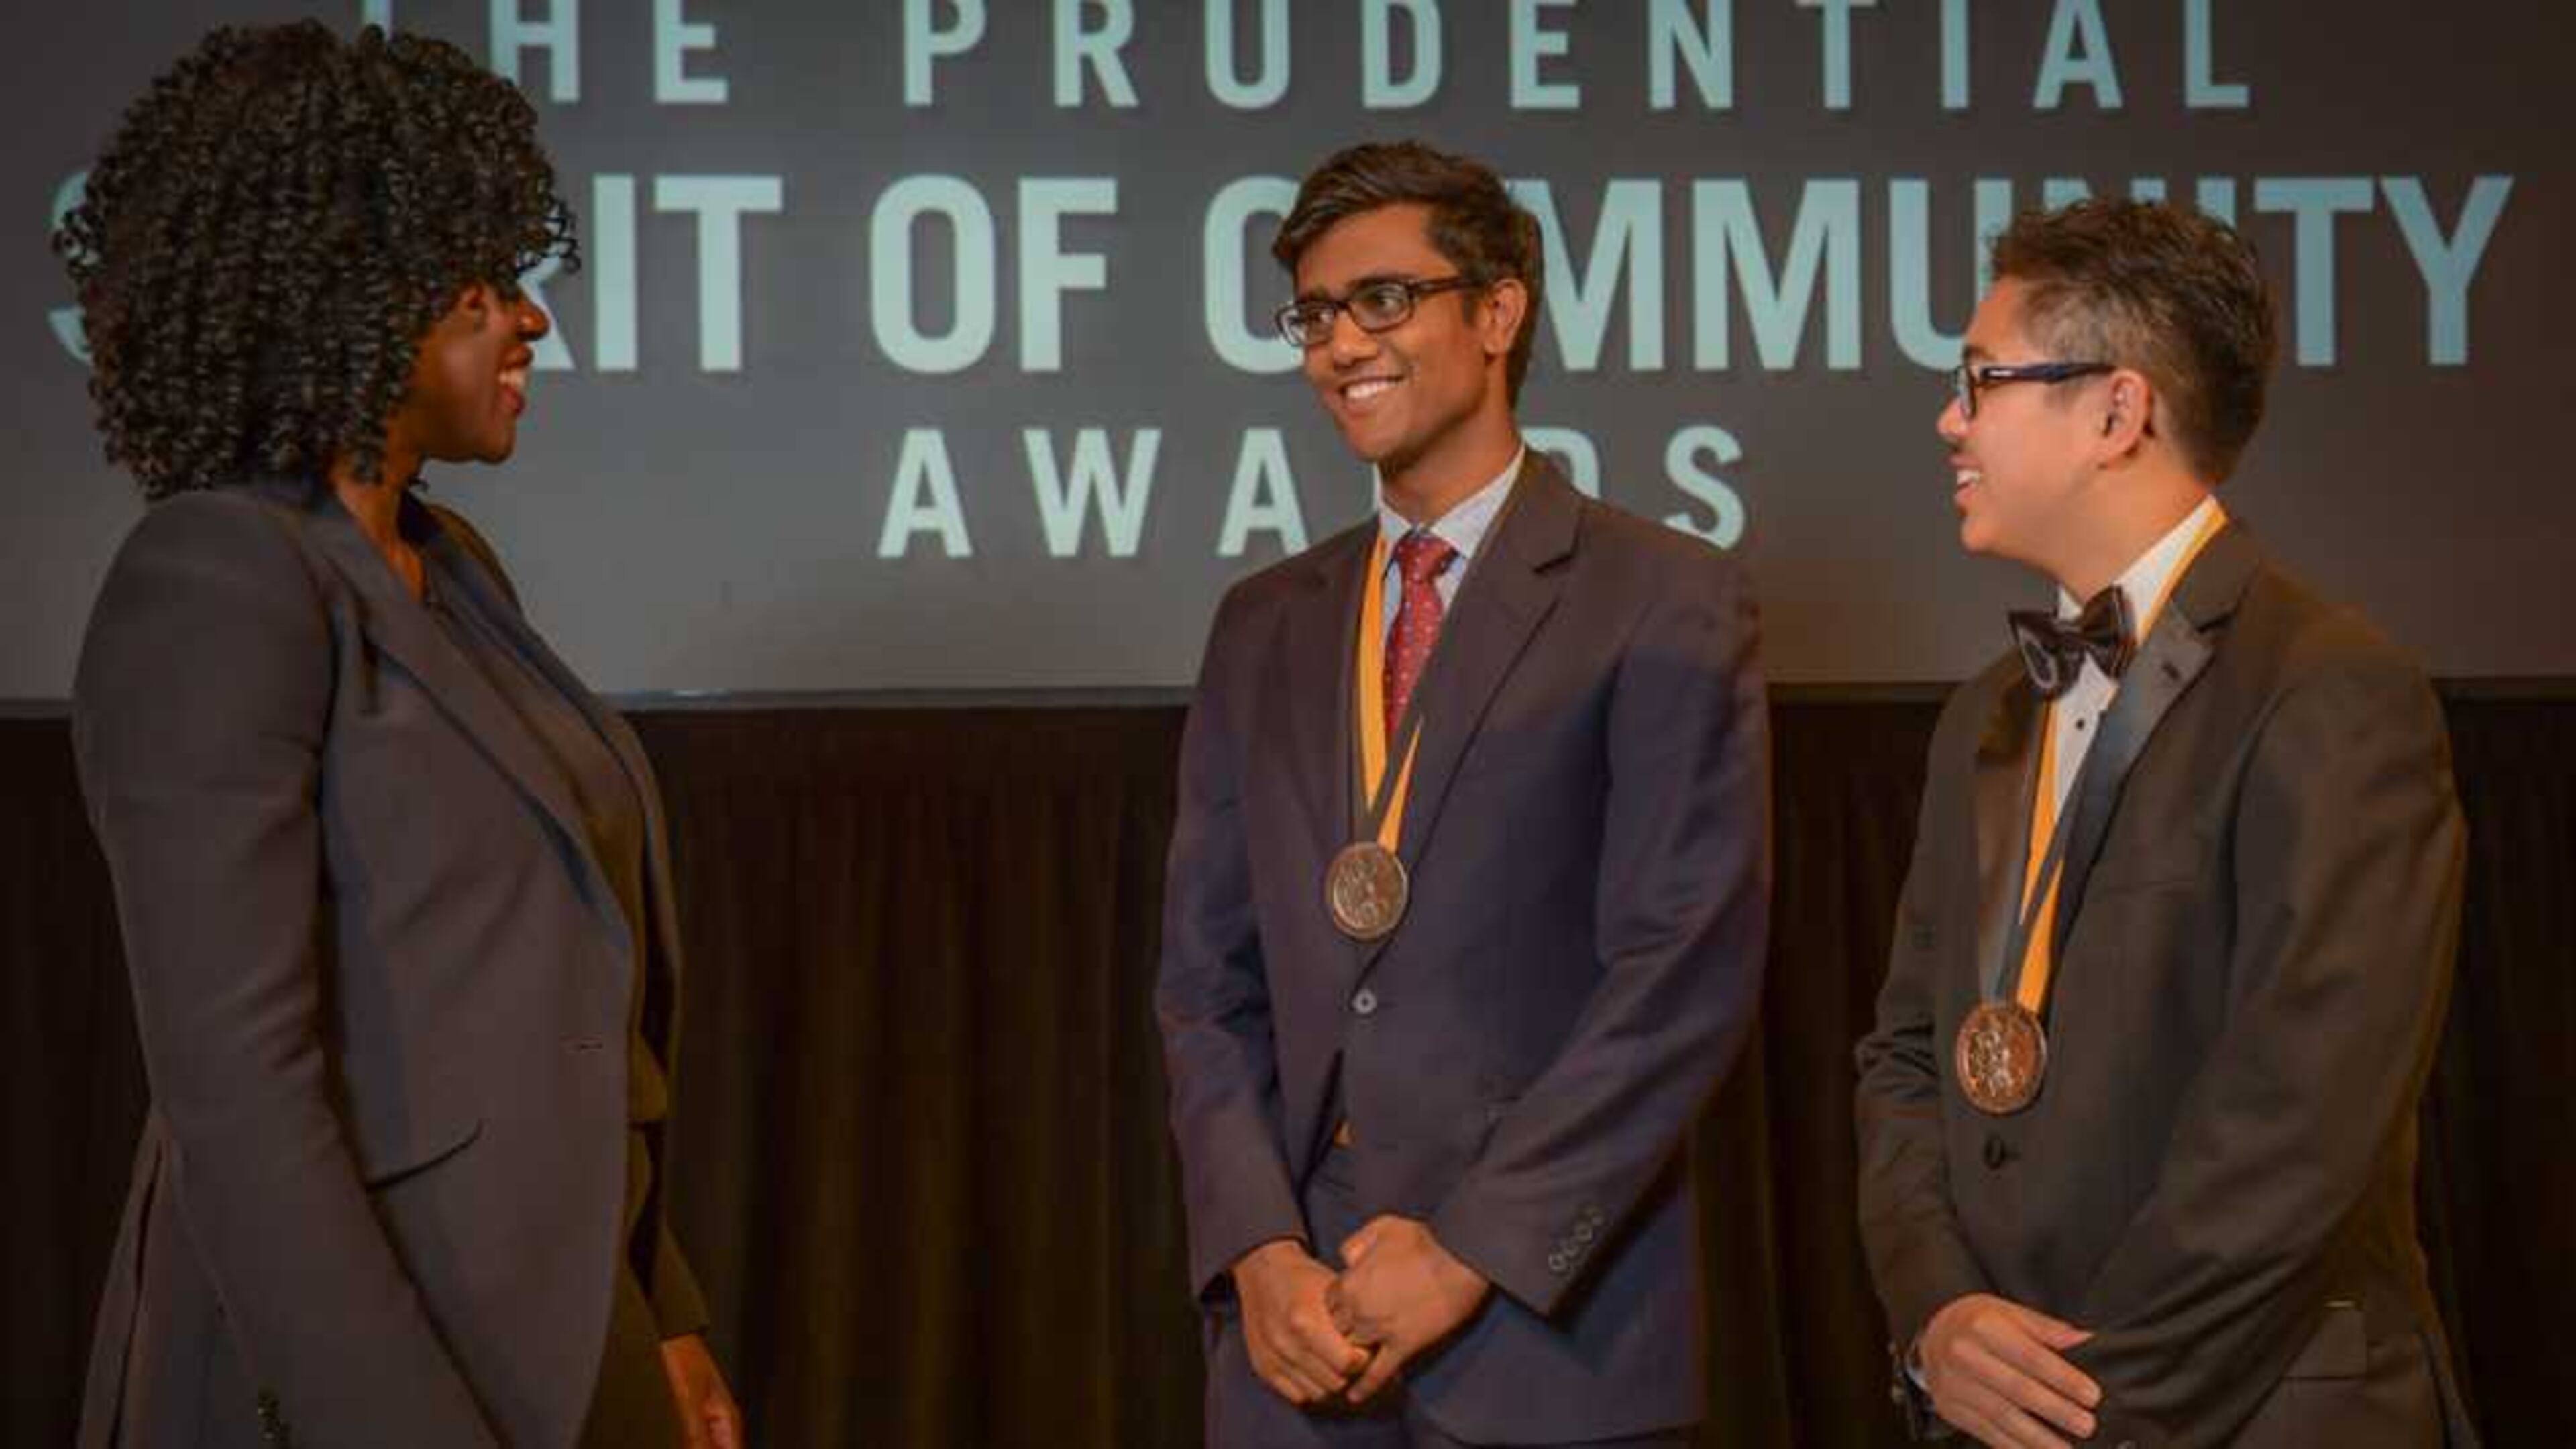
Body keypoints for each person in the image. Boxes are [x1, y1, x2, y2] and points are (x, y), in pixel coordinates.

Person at [60, 23, 741, 1448]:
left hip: (555, 1329)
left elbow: (564, 999)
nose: (533, 320)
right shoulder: (217, 581)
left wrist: (656, 1307)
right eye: (487, 278)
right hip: (350, 1371)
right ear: (357, 291)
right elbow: (241, 1103)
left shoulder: (452, 569)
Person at [1155, 140, 1770, 1448]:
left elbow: (1679, 979)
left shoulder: (1664, 598)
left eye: (1382, 299)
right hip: (1296, 1358)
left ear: (1499, 312)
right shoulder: (1262, 624)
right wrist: (1259, 1252)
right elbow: (1207, 989)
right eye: (1315, 314)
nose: (1338, 345)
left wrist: (1469, 1252)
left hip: (1549, 1343)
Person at [1853, 198, 2479, 1447]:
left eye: (1979, 380)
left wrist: (2082, 1412)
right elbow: (1909, 1058)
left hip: (2244, 1416)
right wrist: (1940, 1322)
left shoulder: (2335, 690)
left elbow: (2297, 1131)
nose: (1950, 419)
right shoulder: (1984, 716)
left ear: (2117, 412)